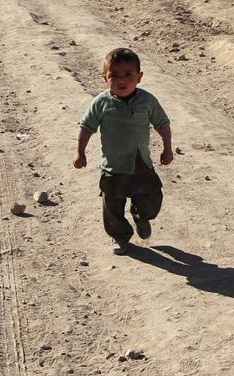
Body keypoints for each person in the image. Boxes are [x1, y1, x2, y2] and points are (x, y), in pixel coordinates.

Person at [73, 48, 173, 254]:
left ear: (139, 77)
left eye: (128, 74)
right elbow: (86, 126)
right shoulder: (101, 103)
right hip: (114, 166)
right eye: (114, 75)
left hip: (141, 164)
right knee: (112, 206)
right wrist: (80, 152)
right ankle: (120, 236)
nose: (122, 80)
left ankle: (142, 216)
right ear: (105, 79)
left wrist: (167, 147)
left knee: (152, 198)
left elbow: (162, 123)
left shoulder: (148, 101)